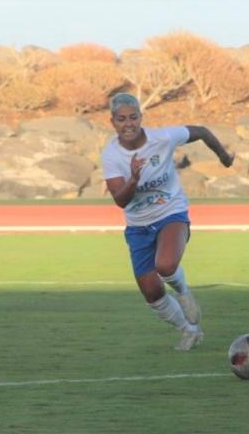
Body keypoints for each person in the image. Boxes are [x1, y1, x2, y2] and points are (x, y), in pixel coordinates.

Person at [102, 93, 234, 350]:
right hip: (138, 226)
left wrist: (224, 157)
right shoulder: (111, 155)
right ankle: (189, 330)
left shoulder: (162, 138)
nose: (128, 123)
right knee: (151, 292)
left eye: (133, 117)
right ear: (112, 122)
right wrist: (133, 179)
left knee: (165, 265)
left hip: (171, 213)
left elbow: (202, 132)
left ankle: (184, 292)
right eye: (121, 119)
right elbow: (120, 200)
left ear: (141, 117)